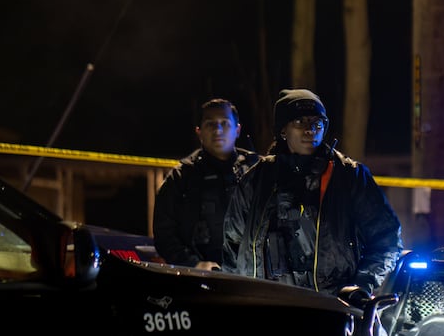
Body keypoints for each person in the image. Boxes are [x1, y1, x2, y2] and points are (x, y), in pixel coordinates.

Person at [222, 88, 403, 298]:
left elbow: (387, 240)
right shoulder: (257, 179)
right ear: (283, 130)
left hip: (331, 306)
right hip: (266, 305)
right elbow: (232, 245)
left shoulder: (349, 176)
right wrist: (238, 298)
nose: (310, 130)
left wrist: (359, 287)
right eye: (300, 122)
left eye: (317, 122)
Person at [153, 98, 259, 270]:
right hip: (200, 275)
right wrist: (193, 264)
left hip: (252, 274)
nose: (218, 130)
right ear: (199, 132)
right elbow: (164, 234)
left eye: (224, 123)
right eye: (210, 124)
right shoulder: (181, 177)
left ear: (237, 130)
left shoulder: (257, 170)